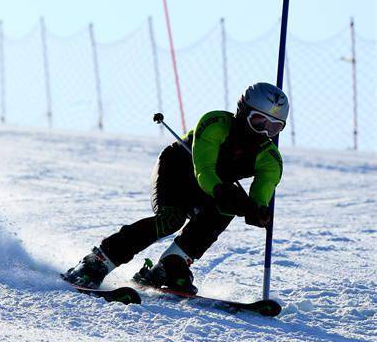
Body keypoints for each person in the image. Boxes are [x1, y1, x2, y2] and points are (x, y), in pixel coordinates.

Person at [63, 82, 288, 294]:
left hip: (213, 186)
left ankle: (172, 263)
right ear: (242, 111)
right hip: (177, 170)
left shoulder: (270, 159)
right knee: (171, 219)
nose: (264, 133)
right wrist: (222, 191)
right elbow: (204, 170)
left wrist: (258, 210)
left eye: (275, 127)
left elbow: (261, 192)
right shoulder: (215, 124)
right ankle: (98, 261)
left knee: (230, 204)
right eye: (259, 122)